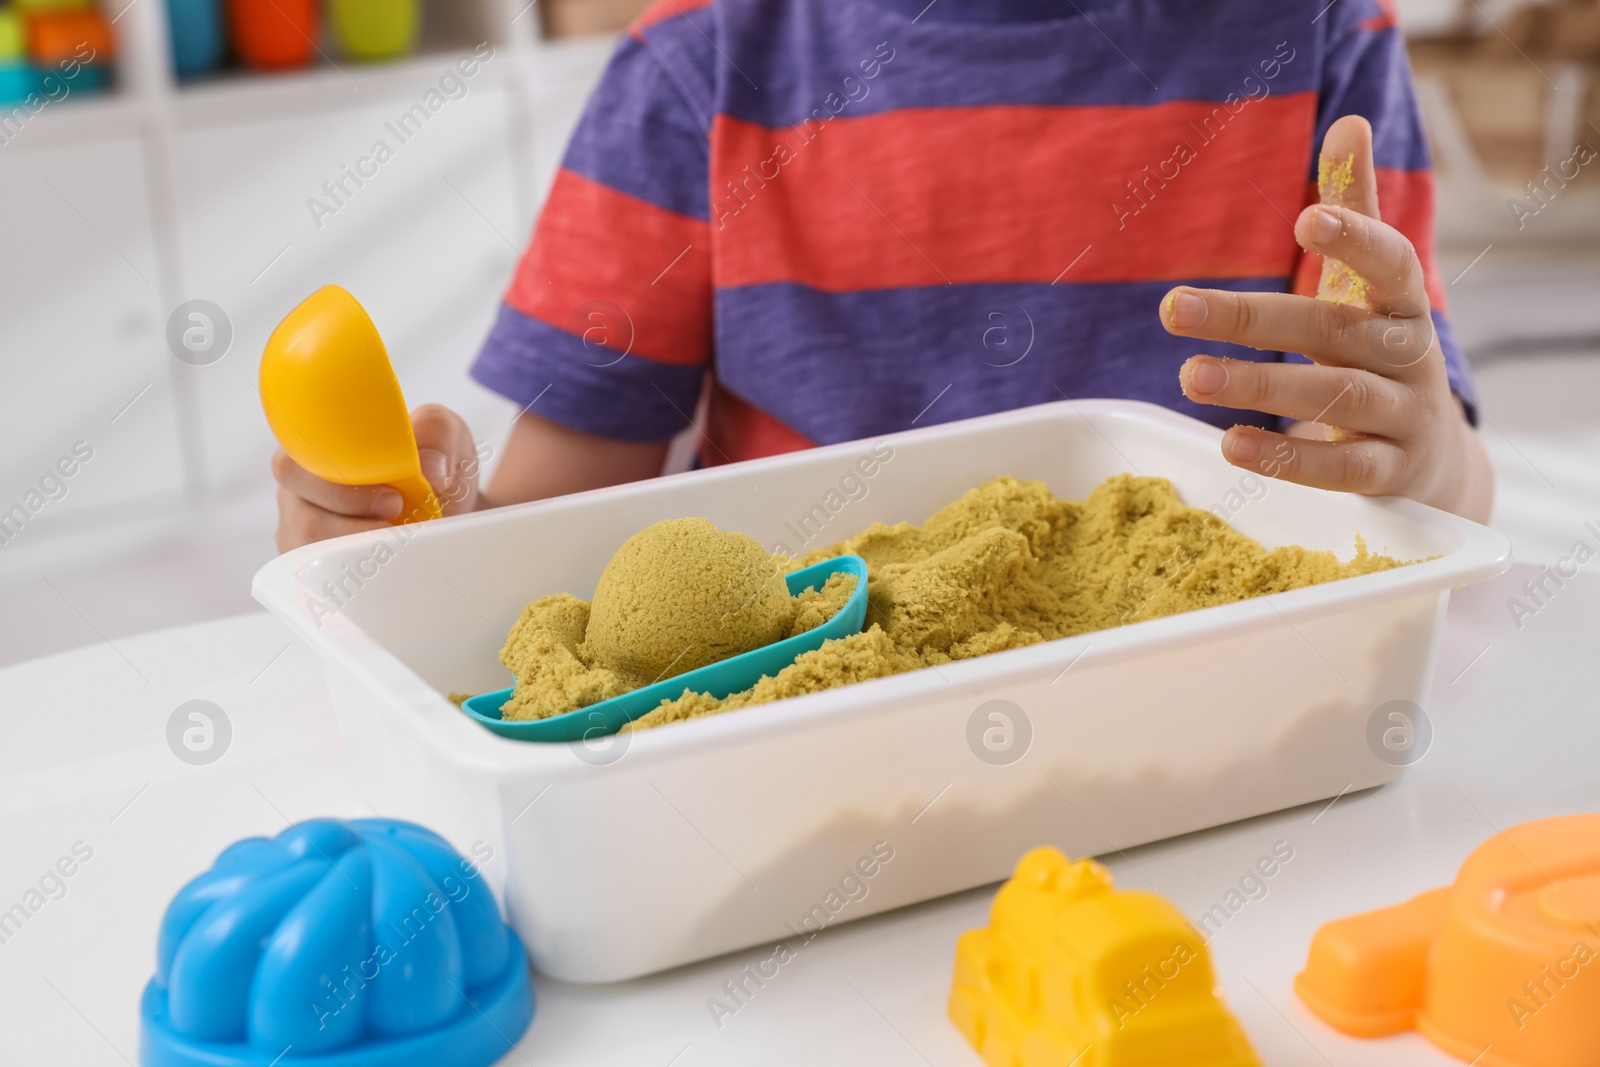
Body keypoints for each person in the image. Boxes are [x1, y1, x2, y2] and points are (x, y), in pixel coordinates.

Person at [274, 0, 1493, 551]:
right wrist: (409, 540)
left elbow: (1422, 476)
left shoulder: (1325, 37)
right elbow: (548, 531)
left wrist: (1427, 453)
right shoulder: (692, 74)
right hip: (795, 730)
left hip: (1202, 704)